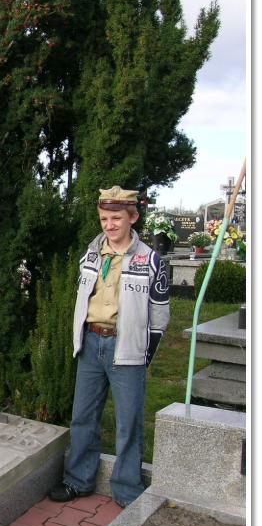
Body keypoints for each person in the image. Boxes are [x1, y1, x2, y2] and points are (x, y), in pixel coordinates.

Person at [48, 186, 170, 508]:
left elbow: (159, 315)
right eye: (104, 218)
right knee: (83, 417)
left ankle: (127, 489)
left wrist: (144, 354)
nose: (109, 225)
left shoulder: (150, 259)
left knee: (128, 422)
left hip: (126, 349)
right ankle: (78, 480)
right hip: (91, 343)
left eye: (116, 218)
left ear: (133, 217)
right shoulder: (91, 253)